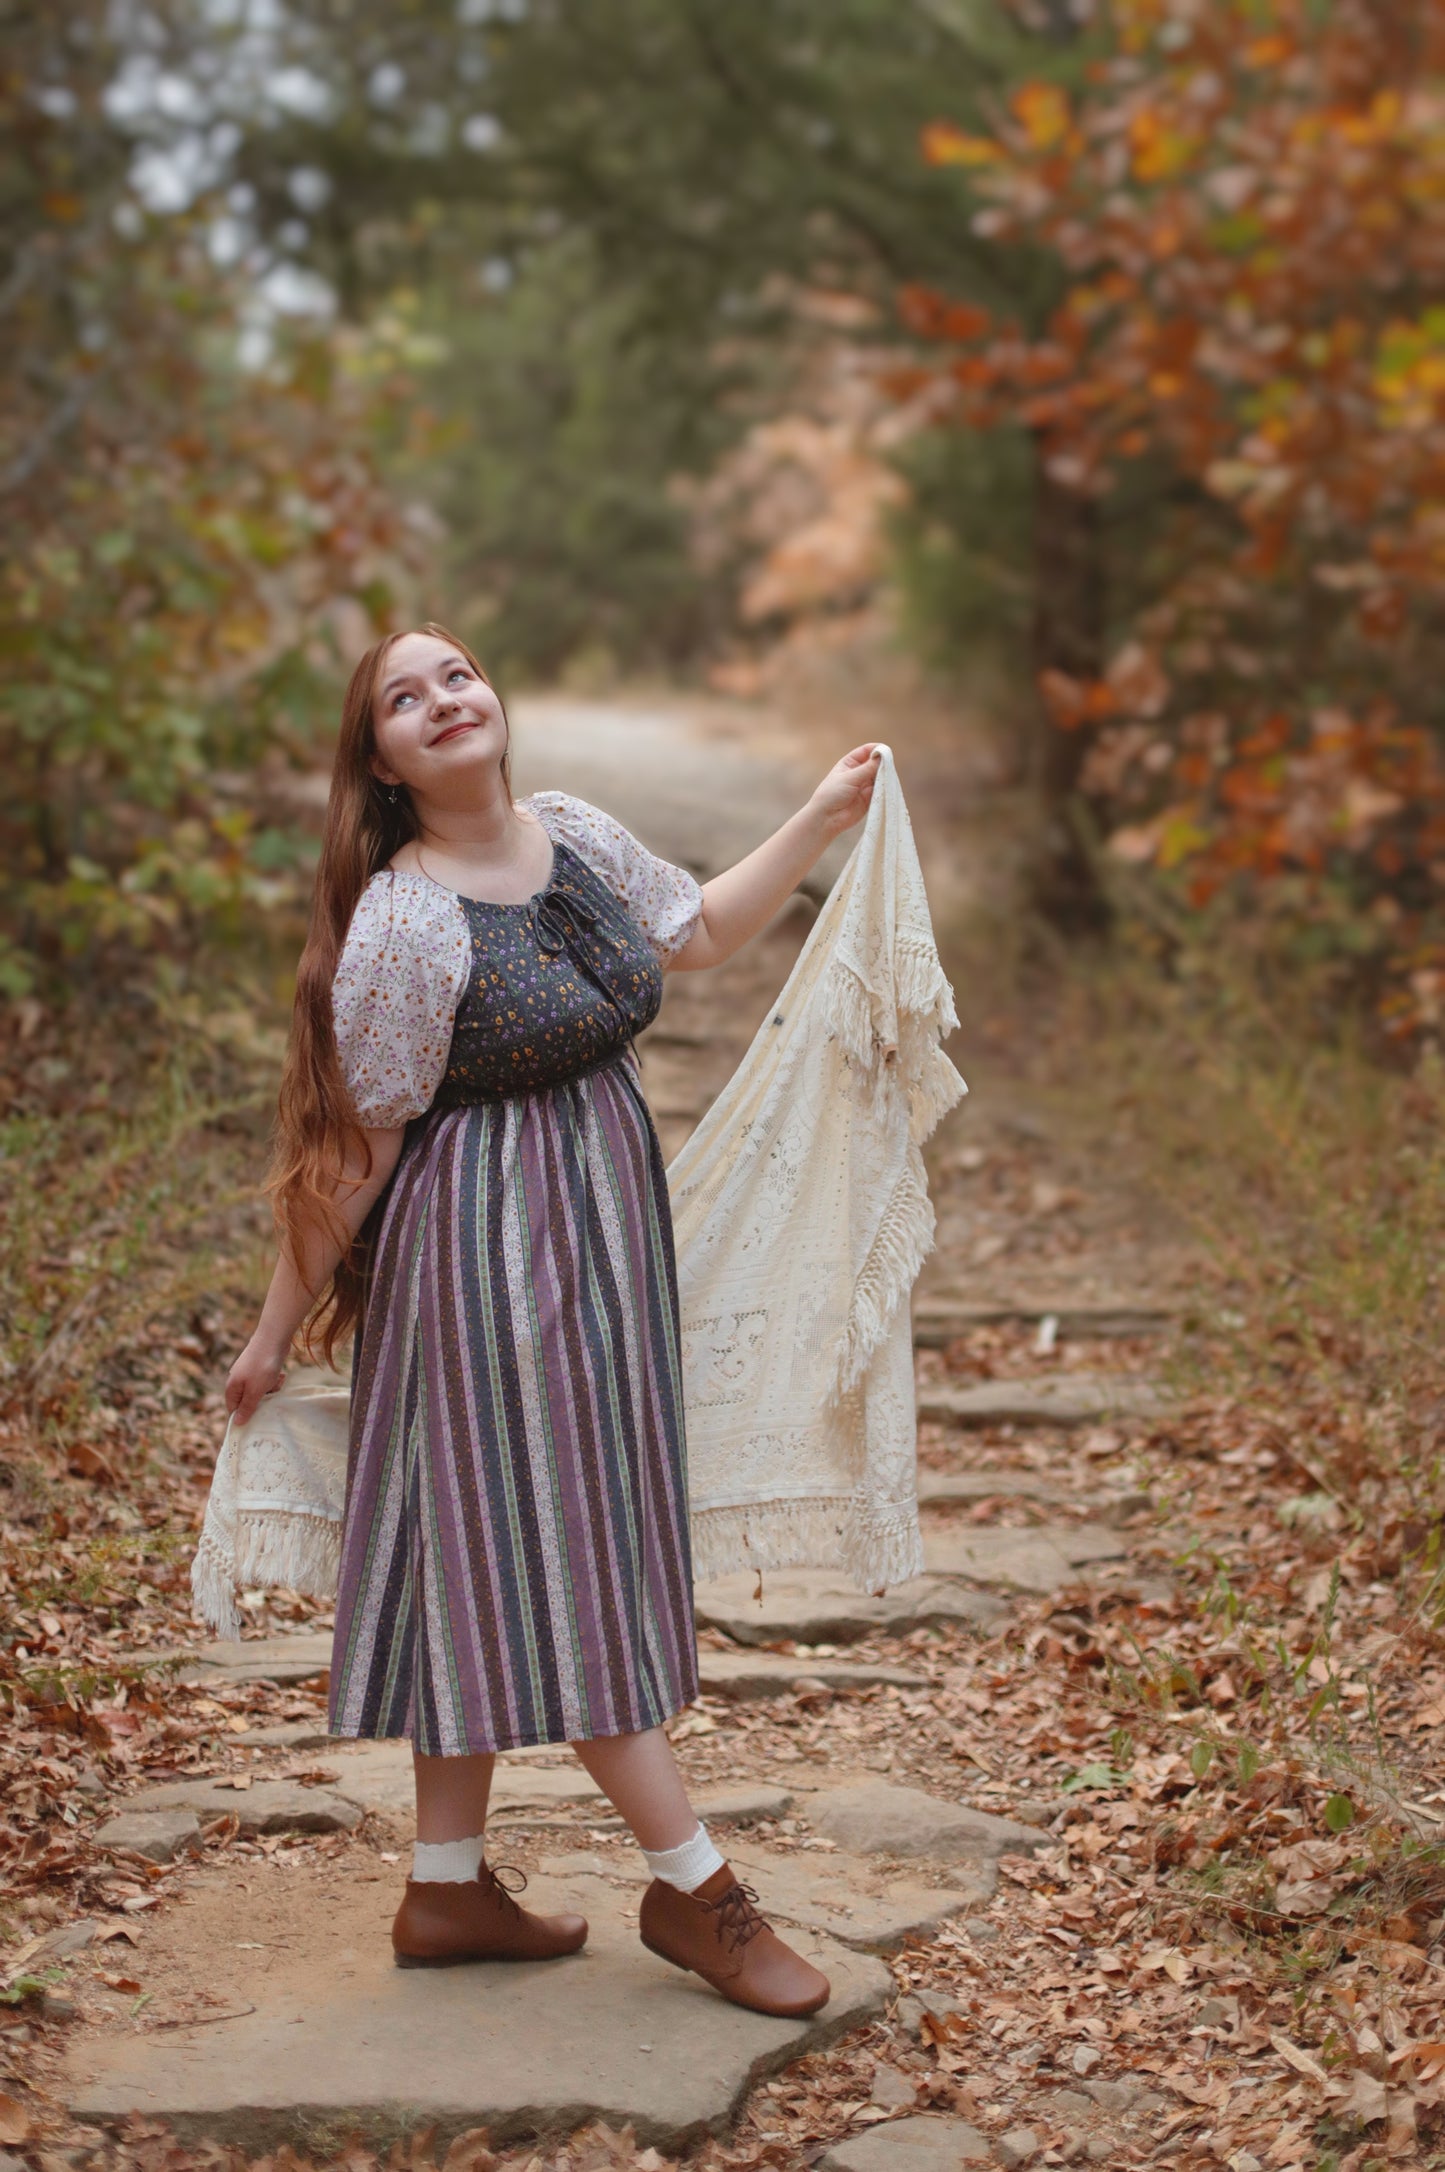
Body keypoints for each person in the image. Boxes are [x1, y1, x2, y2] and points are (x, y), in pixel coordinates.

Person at [225, 622, 880, 2019]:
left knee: (489, 1554)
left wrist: (820, 815)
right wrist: (272, 1332)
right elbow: (355, 1150)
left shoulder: (572, 835)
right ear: (385, 765)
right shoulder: (404, 919)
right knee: (555, 1555)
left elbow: (694, 931)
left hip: (597, 1245)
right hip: (484, 1272)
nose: (441, 701)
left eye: (454, 673)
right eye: (403, 699)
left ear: (493, 698)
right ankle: (699, 1893)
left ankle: (447, 1887)